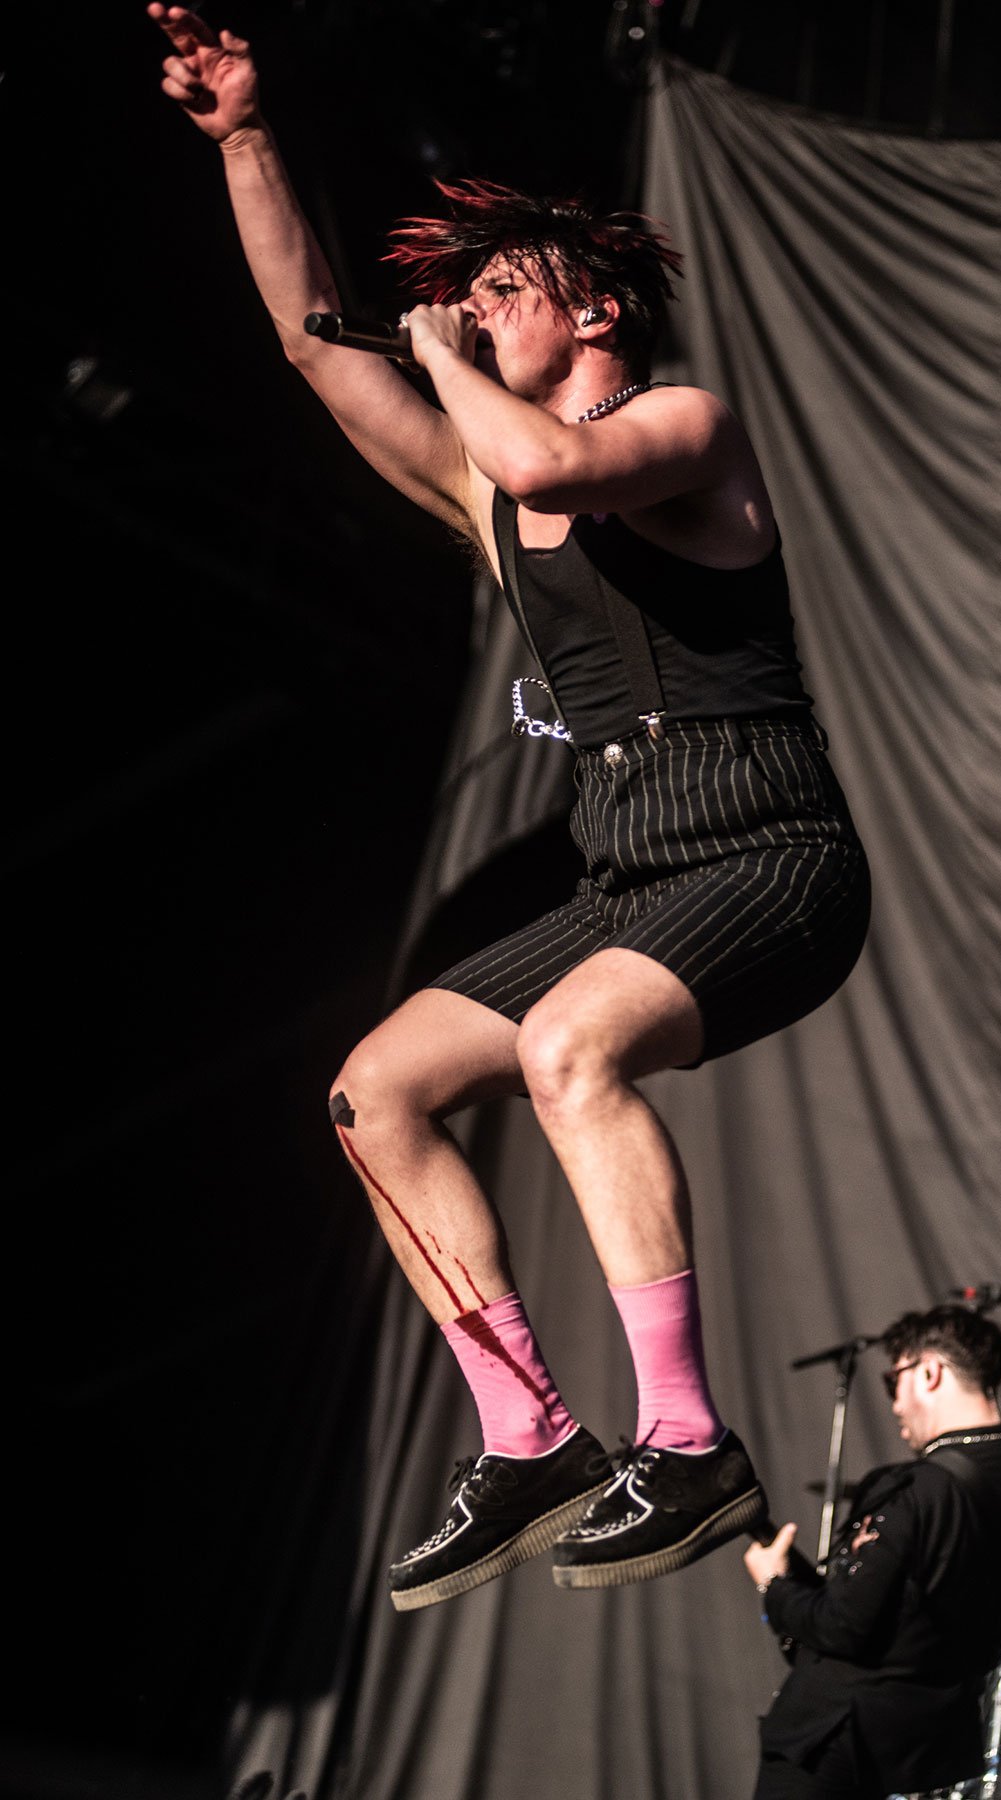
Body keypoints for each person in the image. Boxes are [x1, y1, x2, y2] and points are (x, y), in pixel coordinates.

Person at [150, 5, 871, 1610]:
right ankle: (531, 1435)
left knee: (567, 1051)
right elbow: (312, 350)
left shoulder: (680, 427)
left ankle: (684, 1443)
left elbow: (545, 467)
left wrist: (437, 355)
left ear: (596, 305)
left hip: (772, 858)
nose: (466, 310)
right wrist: (248, 137)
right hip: (629, 877)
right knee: (374, 1091)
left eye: (501, 287)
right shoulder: (495, 482)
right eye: (463, 296)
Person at [743, 1305, 1001, 1800]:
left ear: (930, 1372)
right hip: (938, 1753)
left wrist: (774, 1583)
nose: (894, 1404)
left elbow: (841, 1626)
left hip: (838, 1746)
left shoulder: (915, 1490)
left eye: (893, 1381)